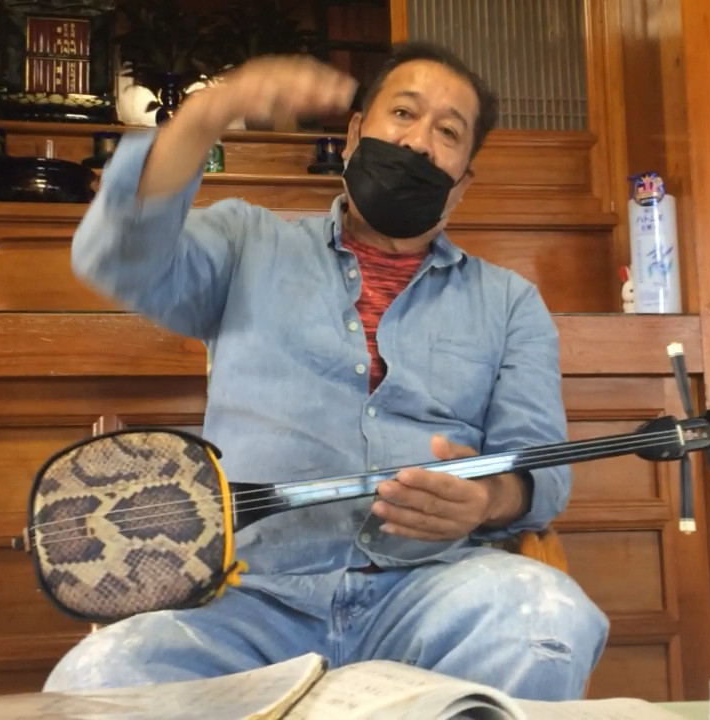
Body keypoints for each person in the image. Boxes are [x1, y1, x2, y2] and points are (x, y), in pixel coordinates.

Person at [42, 42, 608, 701]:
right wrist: (208, 114)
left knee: (546, 622)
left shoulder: (510, 303)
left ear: (463, 181)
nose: (419, 143)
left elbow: (542, 469)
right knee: (97, 680)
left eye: (448, 132)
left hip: (431, 592)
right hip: (248, 596)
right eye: (404, 113)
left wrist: (488, 500)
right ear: (355, 134)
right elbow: (118, 256)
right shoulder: (248, 242)